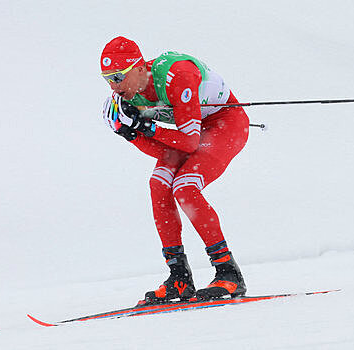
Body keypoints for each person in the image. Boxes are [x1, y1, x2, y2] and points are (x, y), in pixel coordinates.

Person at [100, 36, 249, 302]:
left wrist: (149, 128)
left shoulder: (176, 75)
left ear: (138, 67)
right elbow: (165, 151)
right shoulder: (127, 95)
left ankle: (228, 273)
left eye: (118, 76)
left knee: (185, 186)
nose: (114, 85)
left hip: (225, 123)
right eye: (107, 78)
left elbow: (190, 143)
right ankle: (179, 277)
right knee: (159, 185)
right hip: (191, 133)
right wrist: (133, 135)